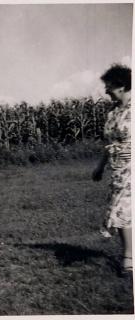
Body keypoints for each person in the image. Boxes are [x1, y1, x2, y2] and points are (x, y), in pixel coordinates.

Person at [92, 64, 132, 273]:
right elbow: (108, 144)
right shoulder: (112, 114)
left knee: (122, 210)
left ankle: (128, 258)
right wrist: (99, 167)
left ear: (121, 86)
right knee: (121, 210)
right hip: (118, 170)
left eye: (108, 86)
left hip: (132, 169)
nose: (106, 90)